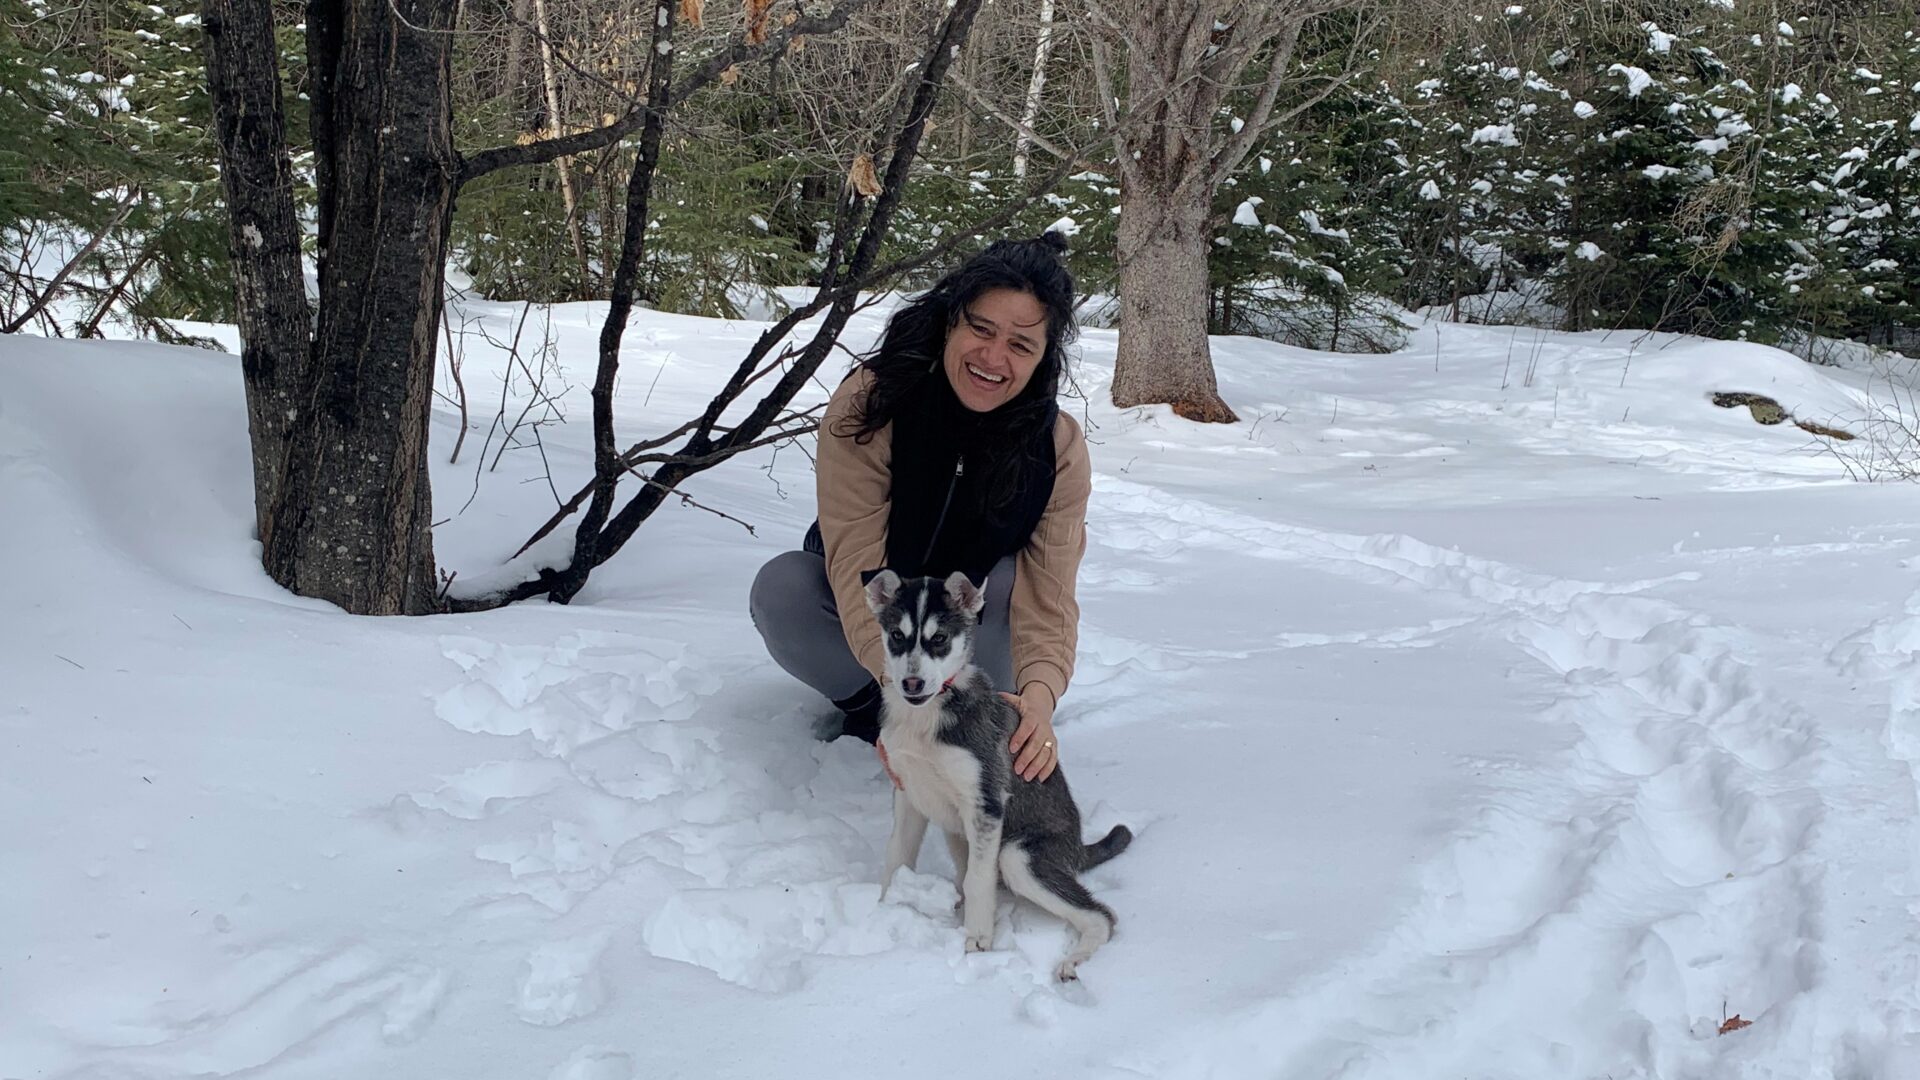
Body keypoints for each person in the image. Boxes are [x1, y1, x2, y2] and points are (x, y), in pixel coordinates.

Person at [749, 231, 1089, 783]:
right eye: (982, 328)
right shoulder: (873, 400)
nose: (993, 357)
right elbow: (855, 560)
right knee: (783, 587)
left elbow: (1049, 599)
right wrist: (896, 693)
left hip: (970, 636)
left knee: (1009, 580)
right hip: (877, 629)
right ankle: (868, 710)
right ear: (951, 320)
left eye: (1021, 345)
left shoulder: (1058, 447)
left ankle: (980, 717)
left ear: (1042, 358)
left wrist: (1040, 699)